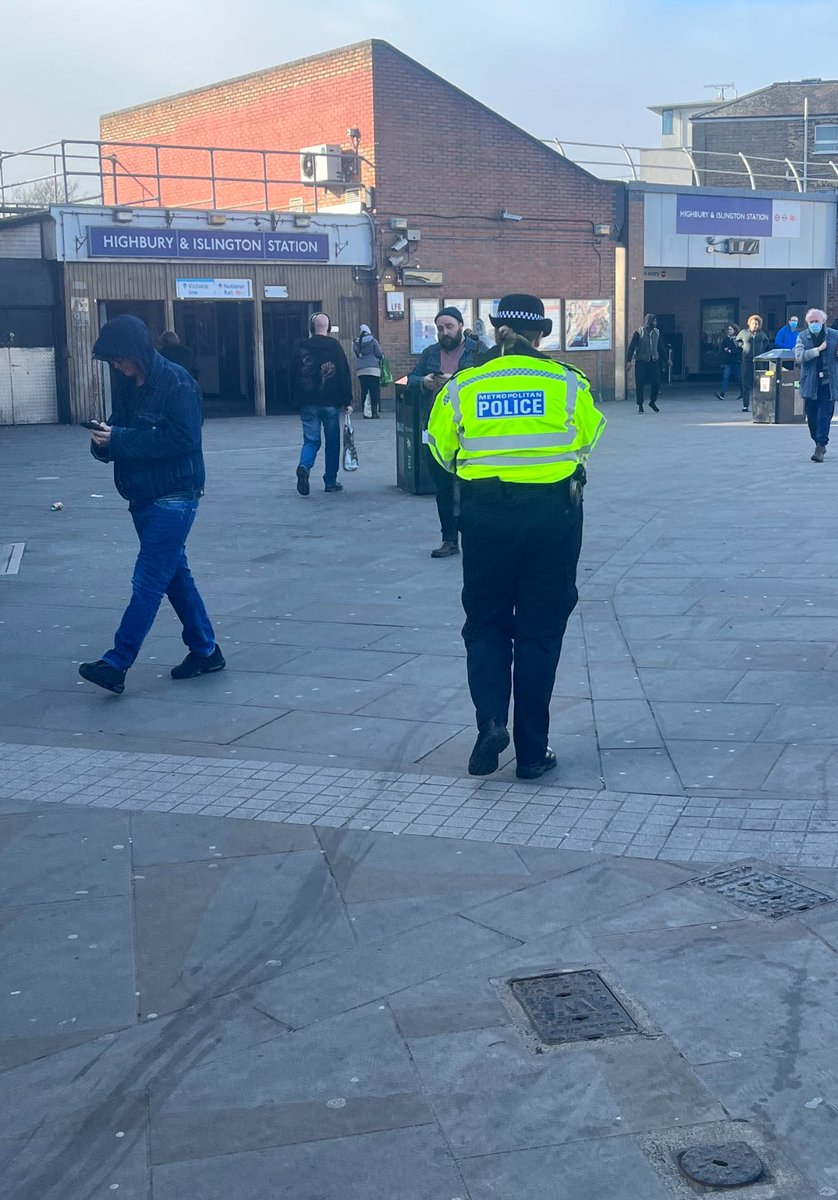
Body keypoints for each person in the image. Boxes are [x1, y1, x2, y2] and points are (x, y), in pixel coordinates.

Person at [427, 293, 606, 780]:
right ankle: (532, 751)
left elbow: (441, 455)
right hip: (553, 517)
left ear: (491, 326)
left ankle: (489, 722)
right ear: (542, 334)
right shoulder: (568, 382)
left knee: (485, 624)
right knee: (540, 631)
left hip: (485, 518)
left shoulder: (464, 384)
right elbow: (587, 440)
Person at [78, 315, 223, 695]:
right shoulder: (130, 385)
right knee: (176, 577)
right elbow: (120, 431)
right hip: (142, 495)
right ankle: (206, 651)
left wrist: (120, 439)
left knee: (148, 581)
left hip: (175, 495)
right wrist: (103, 441)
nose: (117, 367)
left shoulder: (177, 383)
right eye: (111, 362)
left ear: (137, 352)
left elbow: (184, 440)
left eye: (119, 359)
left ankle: (116, 662)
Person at [407, 307, 482, 558]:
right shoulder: (430, 353)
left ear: (461, 325)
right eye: (440, 328)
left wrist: (457, 380)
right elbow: (411, 378)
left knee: (473, 485)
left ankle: (474, 536)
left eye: (449, 326)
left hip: (471, 428)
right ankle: (449, 539)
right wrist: (424, 382)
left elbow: (487, 381)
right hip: (438, 427)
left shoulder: (478, 350)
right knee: (443, 487)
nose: (444, 332)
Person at [291, 313, 353, 495]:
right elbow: (343, 373)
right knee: (332, 442)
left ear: (311, 328)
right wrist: (347, 400)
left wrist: (295, 399)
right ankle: (330, 481)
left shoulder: (302, 347)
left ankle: (304, 466)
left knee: (311, 441)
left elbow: (293, 373)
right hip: (330, 403)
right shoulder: (335, 347)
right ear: (328, 327)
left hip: (308, 402)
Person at [794, 308, 838, 462]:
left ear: (823, 321)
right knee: (812, 417)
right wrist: (818, 350)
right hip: (811, 383)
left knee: (823, 416)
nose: (814, 324)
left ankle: (820, 446)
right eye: (811, 322)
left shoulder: (834, 335)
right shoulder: (802, 337)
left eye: (816, 321)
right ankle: (818, 440)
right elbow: (799, 357)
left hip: (828, 383)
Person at [626, 314, 664, 413]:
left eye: (656, 321)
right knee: (640, 384)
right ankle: (640, 405)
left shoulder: (657, 332)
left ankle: (652, 401)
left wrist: (666, 359)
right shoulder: (639, 332)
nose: (655, 323)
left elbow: (660, 347)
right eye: (654, 321)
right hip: (641, 362)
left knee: (656, 382)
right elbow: (632, 347)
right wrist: (629, 361)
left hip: (653, 362)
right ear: (649, 322)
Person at [735, 315, 771, 413]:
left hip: (759, 362)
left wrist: (762, 349)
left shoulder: (762, 334)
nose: (755, 325)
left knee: (759, 383)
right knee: (746, 383)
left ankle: (760, 404)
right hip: (746, 361)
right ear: (749, 324)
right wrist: (742, 346)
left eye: (757, 324)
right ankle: (745, 405)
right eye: (753, 323)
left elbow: (766, 342)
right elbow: (737, 341)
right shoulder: (744, 333)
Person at [352, 322, 383, 419]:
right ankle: (374, 412)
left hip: (361, 370)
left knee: (364, 390)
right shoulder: (373, 340)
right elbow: (379, 353)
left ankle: (365, 412)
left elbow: (357, 354)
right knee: (374, 391)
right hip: (373, 369)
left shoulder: (356, 342)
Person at [715, 323, 743, 402]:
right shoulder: (726, 338)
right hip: (728, 361)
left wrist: (731, 351)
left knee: (738, 377)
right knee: (725, 377)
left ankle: (743, 392)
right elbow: (722, 346)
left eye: (730, 329)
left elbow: (740, 349)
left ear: (735, 330)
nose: (729, 331)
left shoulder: (738, 339)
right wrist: (725, 349)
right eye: (728, 329)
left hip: (737, 361)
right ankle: (722, 393)